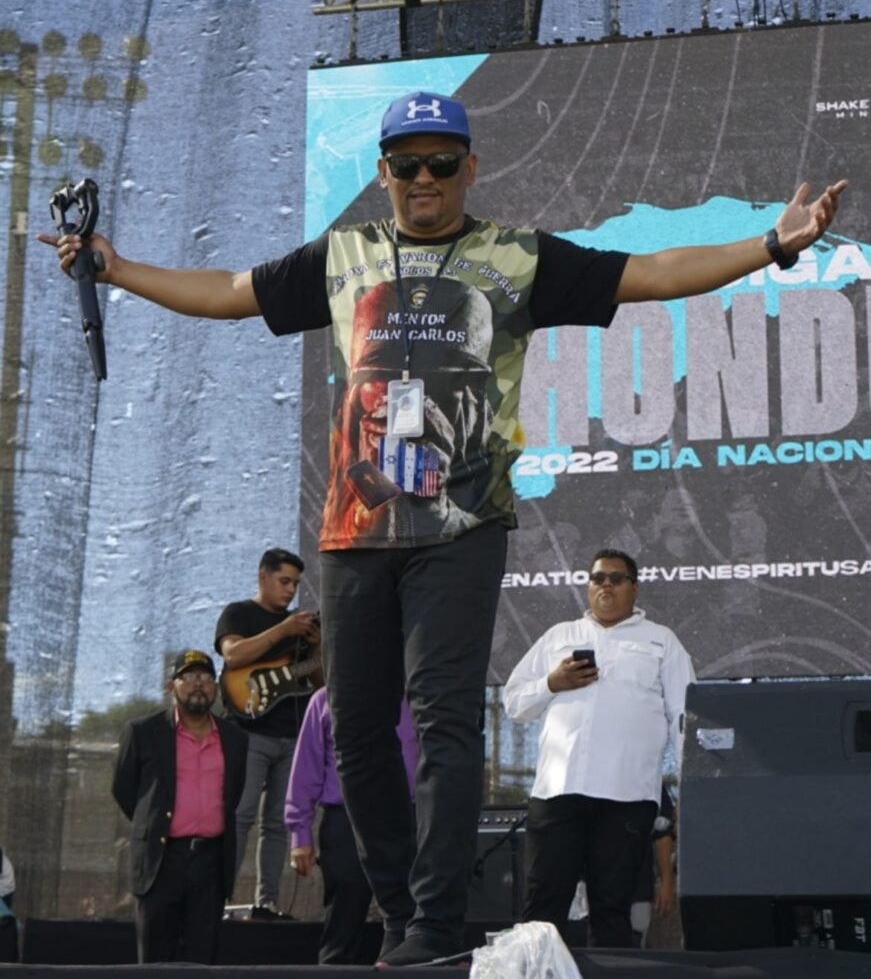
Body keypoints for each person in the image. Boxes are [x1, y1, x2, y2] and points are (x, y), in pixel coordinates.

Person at [39, 91, 846, 967]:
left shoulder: (515, 256)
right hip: (356, 530)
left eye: (441, 162)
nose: (423, 177)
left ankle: (431, 917)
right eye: (406, 163)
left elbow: (647, 273)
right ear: (383, 172)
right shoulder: (345, 254)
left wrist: (770, 246)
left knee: (444, 719)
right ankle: (396, 910)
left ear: (470, 167)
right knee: (354, 730)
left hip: (462, 524)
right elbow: (233, 292)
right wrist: (119, 269)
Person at [502, 550, 695, 947]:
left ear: (634, 588)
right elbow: (514, 703)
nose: (606, 585)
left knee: (612, 910)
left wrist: (692, 787)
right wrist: (552, 683)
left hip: (627, 794)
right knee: (542, 910)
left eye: (617, 578)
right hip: (558, 790)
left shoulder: (661, 641)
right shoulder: (559, 636)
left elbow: (684, 717)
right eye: (597, 578)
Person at [111, 649, 248, 963]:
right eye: (189, 677)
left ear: (216, 687)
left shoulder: (235, 738)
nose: (198, 684)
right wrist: (154, 822)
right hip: (161, 861)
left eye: (206, 677)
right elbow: (124, 789)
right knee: (155, 960)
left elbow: (234, 793)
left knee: (202, 959)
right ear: (170, 686)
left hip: (211, 862)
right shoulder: (143, 732)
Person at [214, 547, 322, 920]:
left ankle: (267, 903)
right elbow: (233, 656)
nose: (291, 590)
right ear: (263, 577)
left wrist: (316, 647)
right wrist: (283, 630)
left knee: (277, 823)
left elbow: (319, 683)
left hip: (292, 736)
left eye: (295, 584)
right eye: (284, 581)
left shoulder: (302, 626)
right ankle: (219, 899)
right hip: (248, 732)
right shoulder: (239, 613)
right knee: (240, 815)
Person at [284, 687, 417, 964]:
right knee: (344, 917)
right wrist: (300, 834)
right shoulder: (325, 699)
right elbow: (306, 767)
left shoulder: (416, 697)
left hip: (405, 815)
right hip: (346, 817)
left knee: (409, 917)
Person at [630, 783, 676, 948]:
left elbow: (662, 834)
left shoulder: (650, 779)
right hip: (591, 885)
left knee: (635, 945)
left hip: (637, 886)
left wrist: (666, 882)